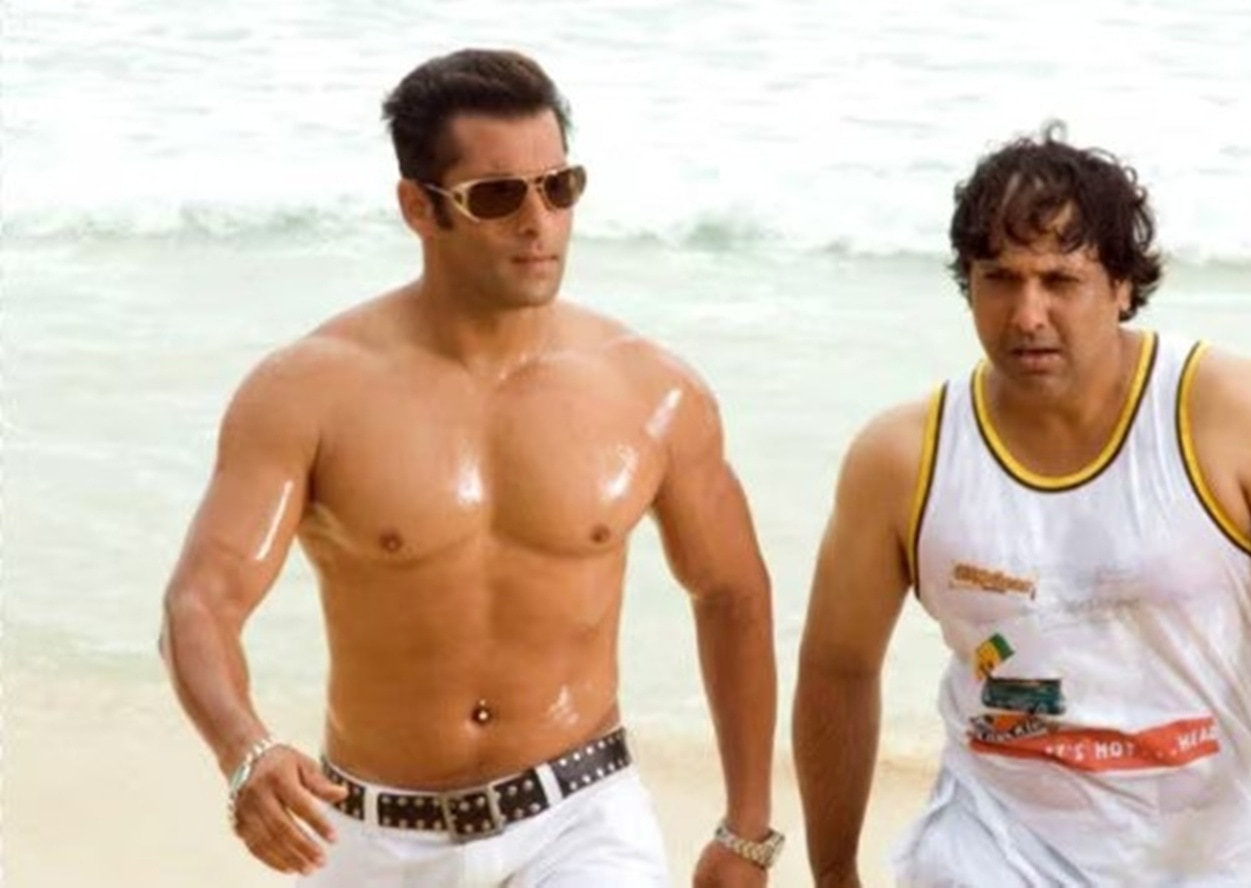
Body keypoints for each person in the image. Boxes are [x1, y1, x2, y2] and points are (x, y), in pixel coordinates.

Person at [160, 48, 785, 887]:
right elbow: (201, 602)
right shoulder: (307, 392)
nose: (538, 221)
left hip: (581, 817)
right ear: (418, 207)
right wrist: (246, 750)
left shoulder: (652, 393)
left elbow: (732, 594)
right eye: (497, 196)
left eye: (559, 187)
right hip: (372, 830)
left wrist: (748, 830)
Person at [792, 123, 1251, 886]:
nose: (1027, 314)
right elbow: (838, 666)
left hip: (1209, 863)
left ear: (1122, 286)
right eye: (999, 278)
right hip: (985, 852)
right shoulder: (904, 457)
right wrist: (833, 872)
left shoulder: (1228, 415)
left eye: (1059, 280)